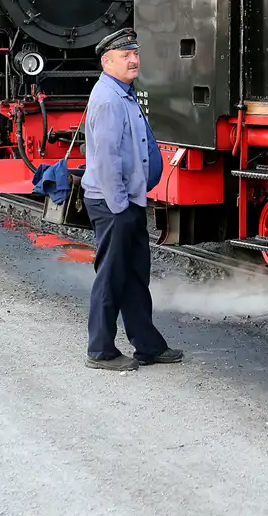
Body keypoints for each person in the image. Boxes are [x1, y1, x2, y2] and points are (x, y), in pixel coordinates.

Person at [82, 27, 182, 372]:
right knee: (111, 275)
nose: (134, 60)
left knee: (136, 274)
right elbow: (107, 159)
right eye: (126, 56)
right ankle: (100, 350)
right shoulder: (109, 99)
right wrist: (120, 205)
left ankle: (148, 346)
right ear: (107, 61)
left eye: (135, 54)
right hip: (115, 204)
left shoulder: (122, 92)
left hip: (127, 201)